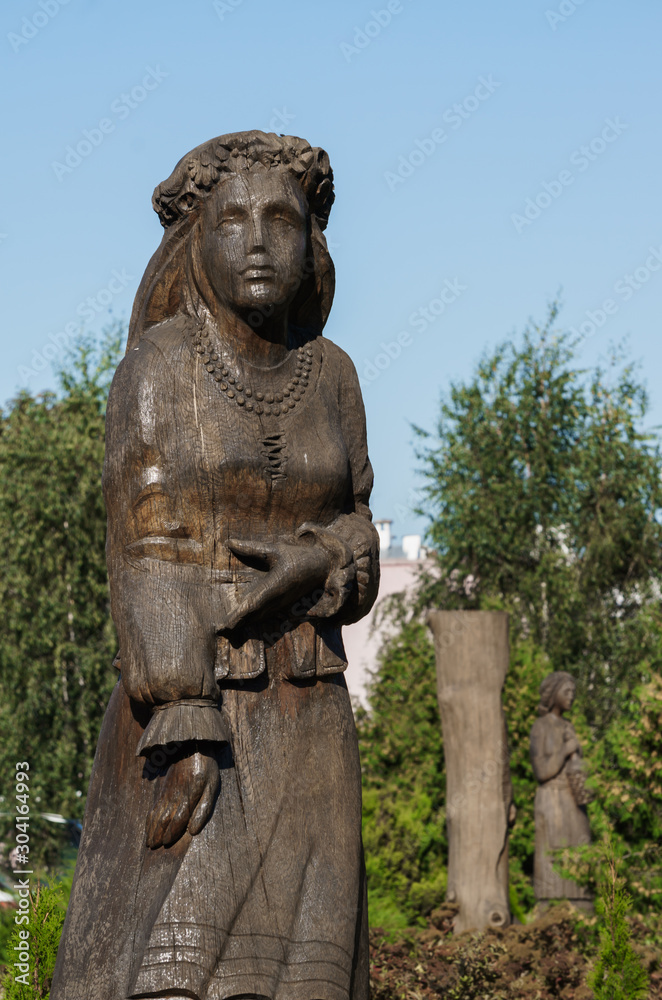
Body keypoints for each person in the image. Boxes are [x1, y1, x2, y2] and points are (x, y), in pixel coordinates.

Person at [51, 131, 380, 1000]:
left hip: (312, 714)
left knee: (313, 975)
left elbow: (360, 527)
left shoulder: (335, 375)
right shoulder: (158, 370)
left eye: (284, 218)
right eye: (234, 220)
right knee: (175, 970)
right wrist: (186, 721)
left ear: (314, 240)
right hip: (198, 718)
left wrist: (320, 563)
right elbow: (146, 546)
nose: (262, 240)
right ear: (193, 241)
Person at [530, 671, 592, 909]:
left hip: (573, 800)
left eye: (573, 693)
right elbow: (542, 771)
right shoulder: (540, 726)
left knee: (579, 852)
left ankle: (582, 904)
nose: (571, 697)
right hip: (551, 799)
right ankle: (552, 907)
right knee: (553, 858)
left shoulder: (569, 726)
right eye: (567, 692)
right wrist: (566, 749)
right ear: (553, 694)